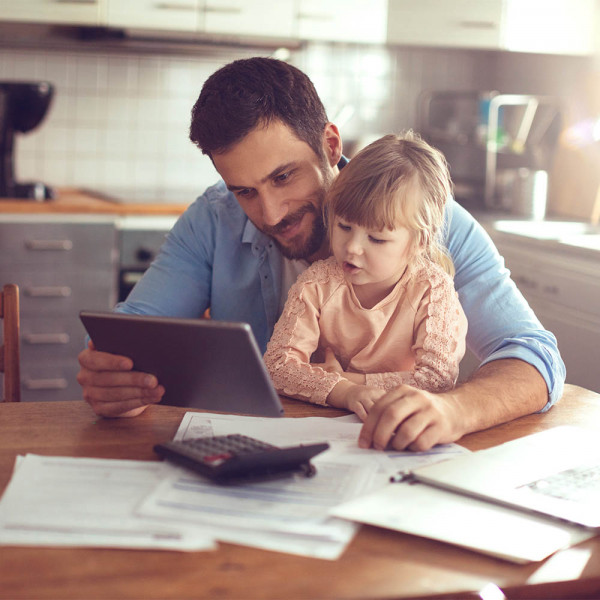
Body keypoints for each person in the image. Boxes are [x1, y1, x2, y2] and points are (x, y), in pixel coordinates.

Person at [77, 56, 565, 451]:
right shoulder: (212, 219)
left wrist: (455, 410)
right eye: (244, 190)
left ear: (330, 145)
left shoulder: (422, 220)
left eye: (284, 177)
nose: (269, 213)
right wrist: (115, 379)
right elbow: (134, 333)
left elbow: (534, 356)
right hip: (249, 464)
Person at [264, 132, 468, 422]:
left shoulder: (432, 290)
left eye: (376, 239)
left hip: (404, 423)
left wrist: (348, 382)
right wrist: (345, 394)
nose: (352, 248)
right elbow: (277, 366)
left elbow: (436, 380)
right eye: (344, 226)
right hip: (331, 422)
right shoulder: (316, 284)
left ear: (419, 241)